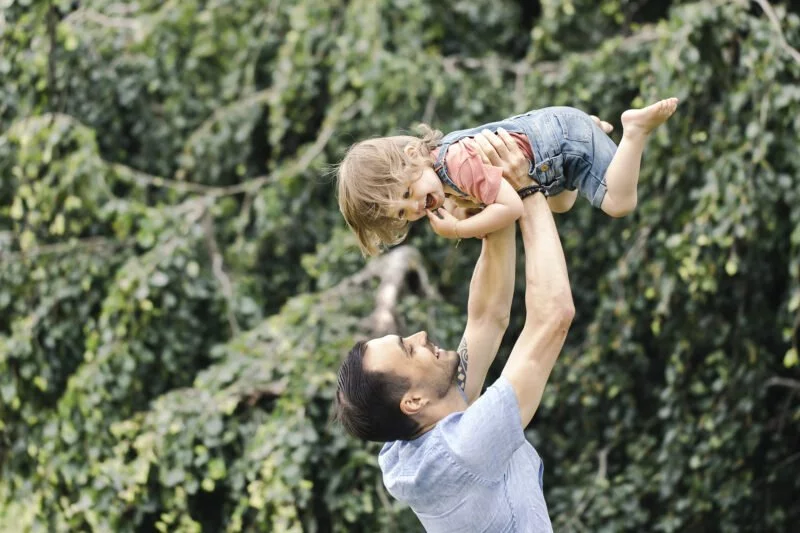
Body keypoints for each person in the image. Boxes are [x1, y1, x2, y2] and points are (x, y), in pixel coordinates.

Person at [334, 128, 586, 532]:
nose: (419, 337)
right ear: (413, 401)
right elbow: (553, 316)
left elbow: (486, 319)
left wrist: (491, 196)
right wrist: (527, 190)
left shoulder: (413, 441)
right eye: (408, 350)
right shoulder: (463, 449)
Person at [337, 98, 678, 256]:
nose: (415, 207)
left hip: (560, 144)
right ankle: (591, 131)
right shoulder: (441, 171)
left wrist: (458, 229)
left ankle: (633, 131)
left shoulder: (456, 163)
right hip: (551, 160)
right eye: (402, 212)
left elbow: (512, 207)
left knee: (619, 203)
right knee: (560, 205)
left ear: (413, 157)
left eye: (409, 191)